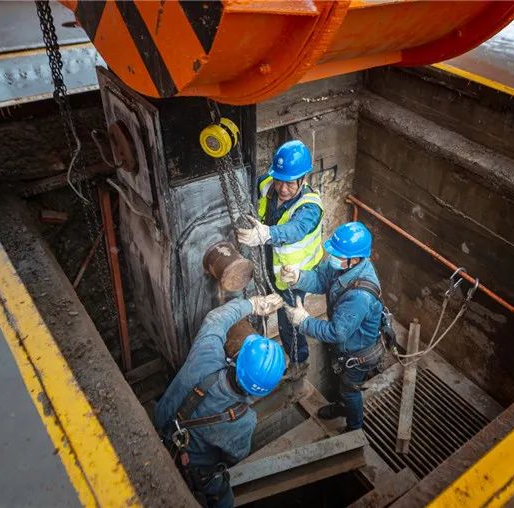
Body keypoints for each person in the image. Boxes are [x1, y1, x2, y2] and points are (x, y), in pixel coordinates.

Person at [154, 293, 285, 508]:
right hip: (192, 468)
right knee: (223, 498)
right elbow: (236, 456)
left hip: (160, 425)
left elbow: (216, 319)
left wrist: (251, 304)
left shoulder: (205, 357)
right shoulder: (243, 421)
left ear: (237, 357)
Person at [281, 222, 383, 432]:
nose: (332, 257)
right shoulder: (344, 265)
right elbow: (320, 279)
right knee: (341, 383)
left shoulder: (359, 296)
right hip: (346, 346)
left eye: (337, 255)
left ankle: (354, 428)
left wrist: (304, 322)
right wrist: (299, 278)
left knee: (350, 390)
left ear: (354, 259)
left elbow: (337, 332)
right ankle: (341, 406)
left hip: (359, 353)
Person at [236, 140, 324, 372]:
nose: (282, 189)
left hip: (294, 276)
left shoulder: (310, 208)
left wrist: (265, 233)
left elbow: (295, 230)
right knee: (261, 303)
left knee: (289, 321)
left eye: (290, 184)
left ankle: (298, 361)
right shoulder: (268, 184)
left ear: (303, 179)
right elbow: (250, 184)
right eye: (279, 181)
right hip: (270, 260)